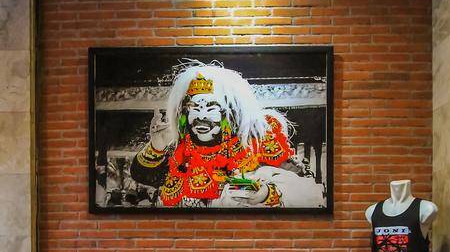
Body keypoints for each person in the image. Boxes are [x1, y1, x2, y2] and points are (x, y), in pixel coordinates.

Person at [130, 63, 323, 208]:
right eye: (195, 108)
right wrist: (157, 146)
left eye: (211, 109)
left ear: (230, 113)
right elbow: (142, 175)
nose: (202, 117)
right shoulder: (181, 152)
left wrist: (266, 194)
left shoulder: (255, 146)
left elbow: (309, 193)